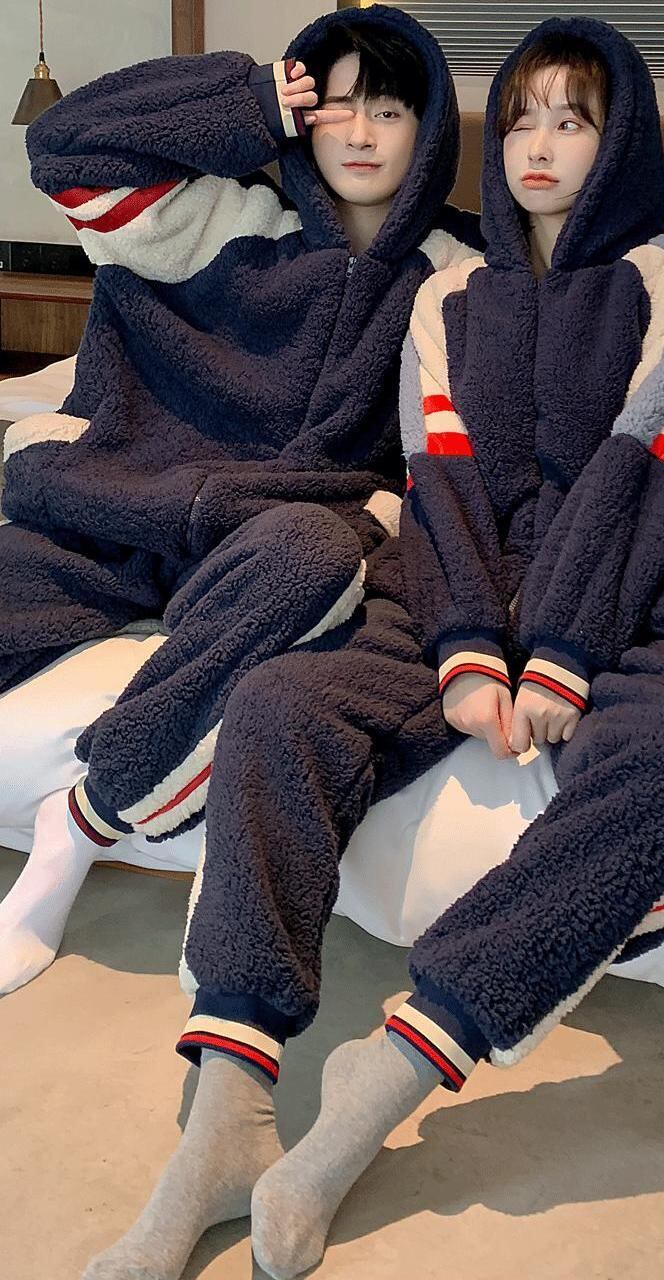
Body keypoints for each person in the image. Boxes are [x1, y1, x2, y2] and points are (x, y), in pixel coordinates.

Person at [244, 17, 664, 1280]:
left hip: (633, 598)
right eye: (521, 117)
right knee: (281, 701)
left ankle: (391, 1069)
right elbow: (443, 489)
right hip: (466, 597)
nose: (539, 145)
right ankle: (226, 1100)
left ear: (619, 143)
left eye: (572, 122)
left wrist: (564, 649)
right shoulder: (448, 295)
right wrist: (470, 648)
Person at [0, 3, 482, 997]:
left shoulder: (459, 276)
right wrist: (247, 101)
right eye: (335, 104)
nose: (358, 132)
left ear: (429, 129)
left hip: (273, 542)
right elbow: (62, 146)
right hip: (115, 513)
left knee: (315, 554)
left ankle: (80, 822)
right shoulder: (210, 216)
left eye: (388, 110)